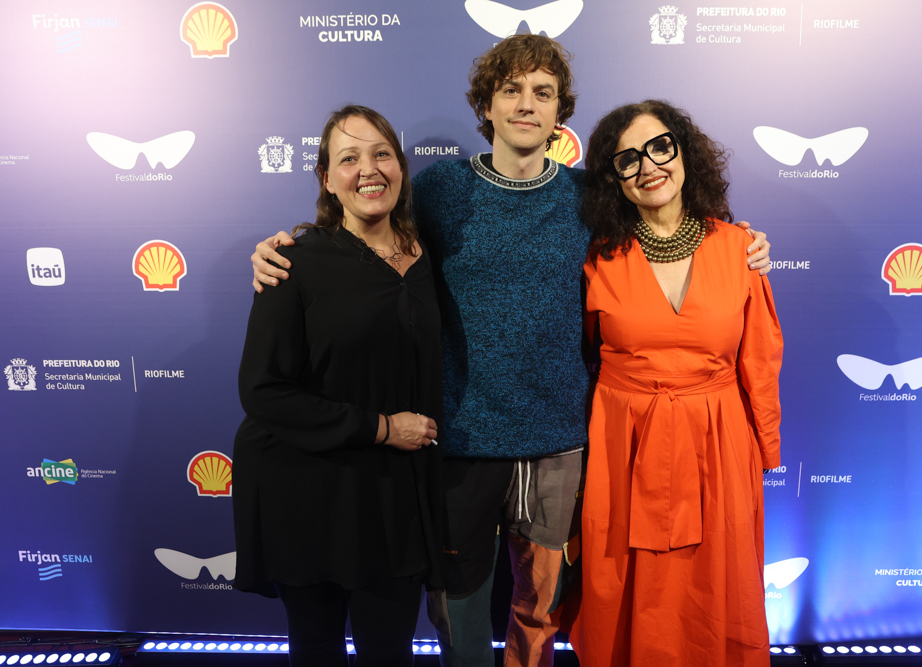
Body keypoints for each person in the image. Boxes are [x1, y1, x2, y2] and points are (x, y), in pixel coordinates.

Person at [249, 35, 772, 667]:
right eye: (511, 90)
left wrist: (742, 242)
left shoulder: (590, 200)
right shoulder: (440, 191)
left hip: (560, 444)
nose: (527, 104)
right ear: (487, 106)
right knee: (459, 612)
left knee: (540, 613)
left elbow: (671, 228)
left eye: (543, 93)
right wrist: (290, 246)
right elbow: (368, 225)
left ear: (560, 114)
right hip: (459, 444)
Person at [570, 100, 782, 667]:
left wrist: (764, 447)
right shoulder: (595, 258)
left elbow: (760, 357)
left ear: (684, 151)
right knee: (627, 587)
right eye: (628, 159)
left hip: (718, 447)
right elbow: (574, 358)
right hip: (623, 446)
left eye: (661, 147)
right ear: (613, 178)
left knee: (716, 587)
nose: (649, 166)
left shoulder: (741, 249)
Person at [233, 105, 443, 667]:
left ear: (400, 166)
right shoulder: (292, 265)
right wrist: (380, 427)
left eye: (381, 153)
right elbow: (264, 392)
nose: (368, 169)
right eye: (348, 158)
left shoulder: (433, 258)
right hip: (308, 492)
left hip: (394, 497)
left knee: (390, 651)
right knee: (317, 649)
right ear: (327, 178)